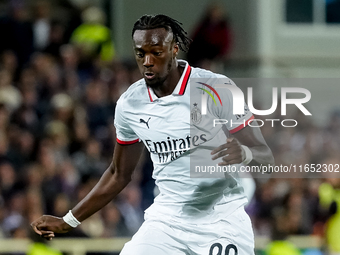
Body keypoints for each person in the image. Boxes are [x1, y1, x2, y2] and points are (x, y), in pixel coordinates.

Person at [31, 14, 274, 254]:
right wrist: (68, 220)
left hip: (221, 223)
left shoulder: (216, 87)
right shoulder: (130, 103)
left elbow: (264, 156)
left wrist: (243, 153)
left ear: (174, 49)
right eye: (140, 53)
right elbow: (118, 173)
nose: (147, 61)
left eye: (156, 53)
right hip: (166, 223)